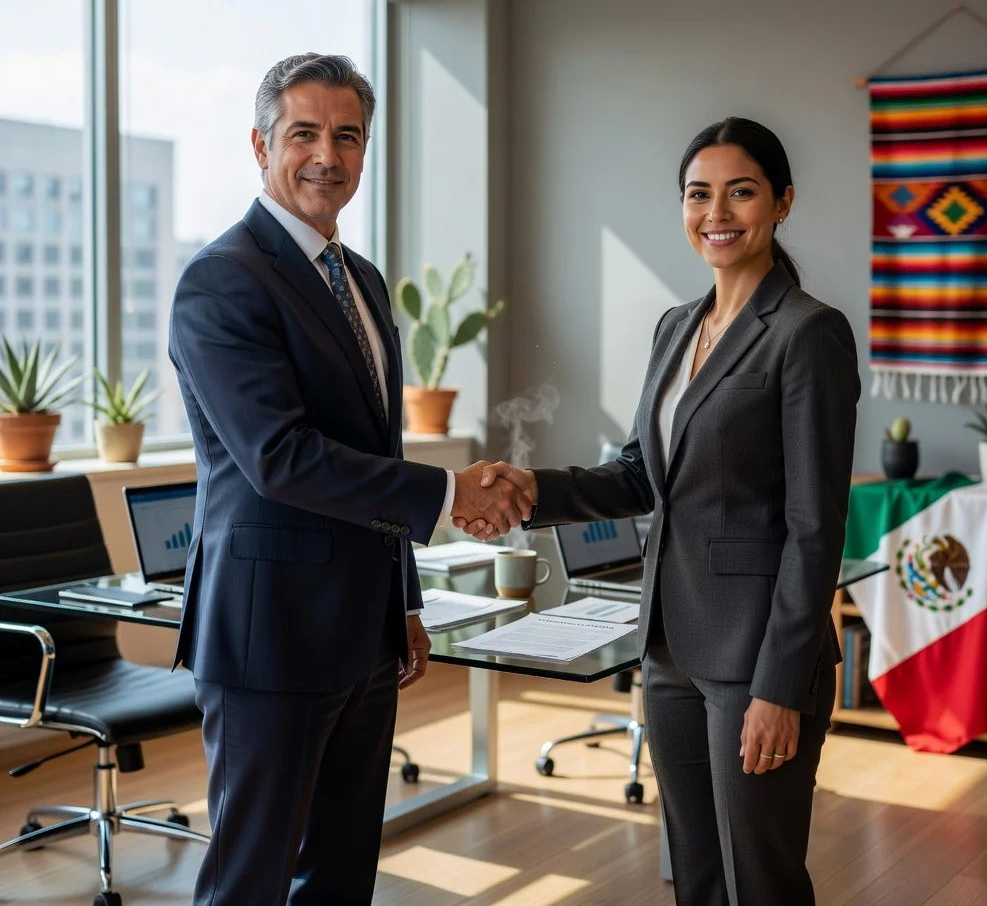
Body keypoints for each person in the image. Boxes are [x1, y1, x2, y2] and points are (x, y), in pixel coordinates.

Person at [456, 118, 860, 905]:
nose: (717, 212)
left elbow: (816, 528)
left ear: (782, 202)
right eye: (697, 194)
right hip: (670, 646)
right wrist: (530, 488)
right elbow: (642, 477)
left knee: (762, 881)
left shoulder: (808, 334)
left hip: (757, 659)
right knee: (696, 875)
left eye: (740, 192)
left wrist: (779, 687)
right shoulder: (678, 328)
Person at [168, 53, 530, 906]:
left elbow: (374, 441)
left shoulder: (359, 279)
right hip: (271, 635)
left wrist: (401, 600)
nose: (326, 155)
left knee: (340, 874)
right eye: (304, 134)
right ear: (261, 145)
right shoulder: (222, 281)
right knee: (249, 880)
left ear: (365, 153)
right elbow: (279, 457)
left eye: (347, 136)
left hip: (365, 634)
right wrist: (447, 494)